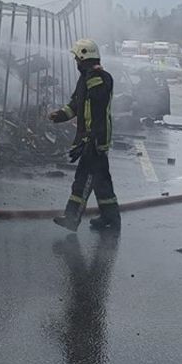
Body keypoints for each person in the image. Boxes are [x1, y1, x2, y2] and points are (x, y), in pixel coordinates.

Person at [49, 39, 120, 231]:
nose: (76, 63)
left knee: (84, 179)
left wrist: (91, 139)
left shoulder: (101, 78)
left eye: (77, 59)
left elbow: (98, 98)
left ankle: (72, 218)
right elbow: (75, 105)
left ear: (84, 57)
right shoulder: (85, 80)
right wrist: (60, 115)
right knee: (101, 181)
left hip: (95, 139)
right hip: (88, 138)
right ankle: (111, 219)